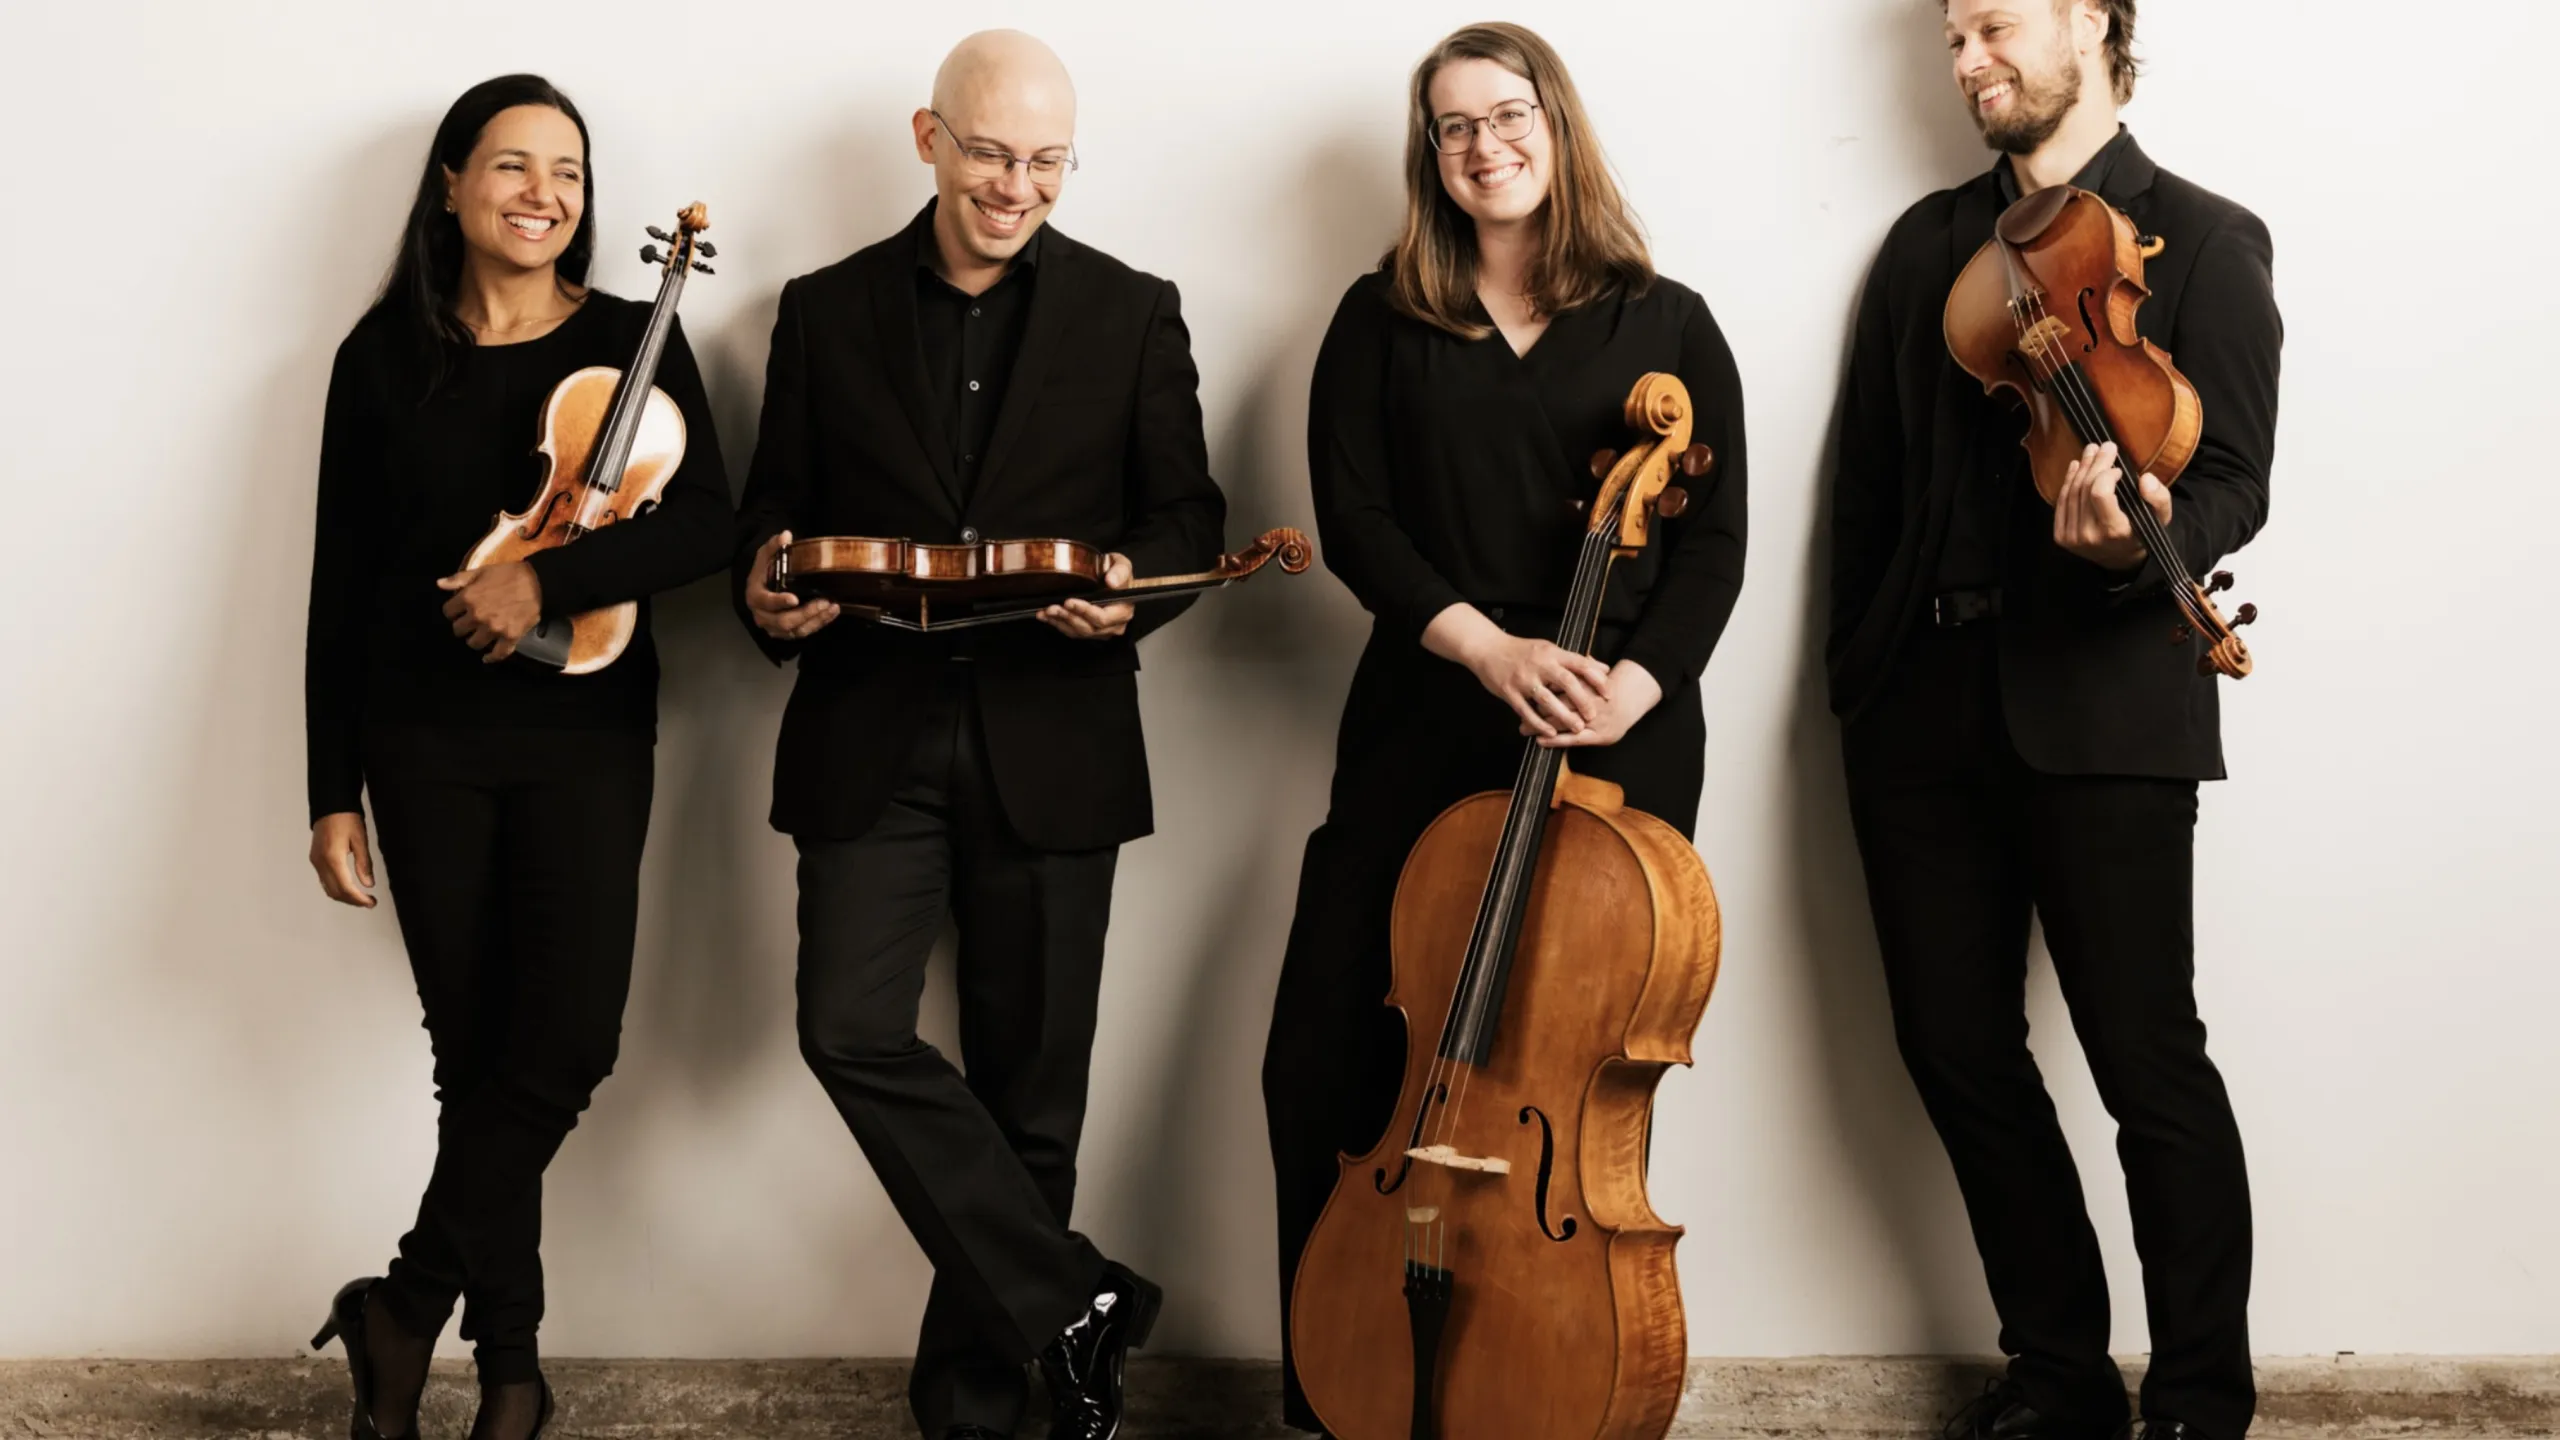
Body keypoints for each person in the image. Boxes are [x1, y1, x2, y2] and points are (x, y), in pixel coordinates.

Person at [730, 30, 1226, 1440]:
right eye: (995, 152)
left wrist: (1131, 601)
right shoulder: (821, 312)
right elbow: (771, 511)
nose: (1020, 186)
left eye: (1049, 161)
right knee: (848, 1029)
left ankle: (982, 1408)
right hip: (867, 734)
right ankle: (1078, 1296)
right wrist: (768, 592)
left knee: (1034, 1103)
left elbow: (1184, 519)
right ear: (928, 136)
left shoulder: (1136, 311)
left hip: (1056, 735)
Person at [1257, 22, 1747, 1435]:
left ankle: (1537, 1391)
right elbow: (1358, 521)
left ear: (1558, 123)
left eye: (1508, 113)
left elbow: (1711, 550)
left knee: (1557, 1071)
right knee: (1329, 1049)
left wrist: (1630, 685)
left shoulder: (1667, 321)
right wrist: (1483, 645)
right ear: (1432, 155)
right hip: (1426, 713)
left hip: (1616, 735)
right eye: (1454, 126)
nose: (1485, 144)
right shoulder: (1382, 316)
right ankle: (1338, 1393)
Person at [1827, 3, 2280, 1438]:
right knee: (1953, 1048)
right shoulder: (1924, 246)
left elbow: (2237, 484)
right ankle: (2061, 1373)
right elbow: (1873, 488)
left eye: (1996, 27)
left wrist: (2134, 533)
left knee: (2148, 1060)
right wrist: (1859, 683)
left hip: (2108, 705)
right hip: (1922, 715)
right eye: (1952, 37)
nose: (1968, 63)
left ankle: (2203, 1397)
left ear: (2093, 17)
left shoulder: (2206, 238)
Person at [302, 73, 734, 1440]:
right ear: (449, 184)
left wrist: (546, 584)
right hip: (421, 745)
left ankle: (406, 1302)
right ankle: (512, 1378)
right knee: (475, 1057)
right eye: (512, 166)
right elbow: (341, 587)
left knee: (563, 1045)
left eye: (569, 172)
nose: (545, 194)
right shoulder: (379, 360)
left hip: (587, 734)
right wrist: (328, 789)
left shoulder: (633, 339)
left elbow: (710, 525)